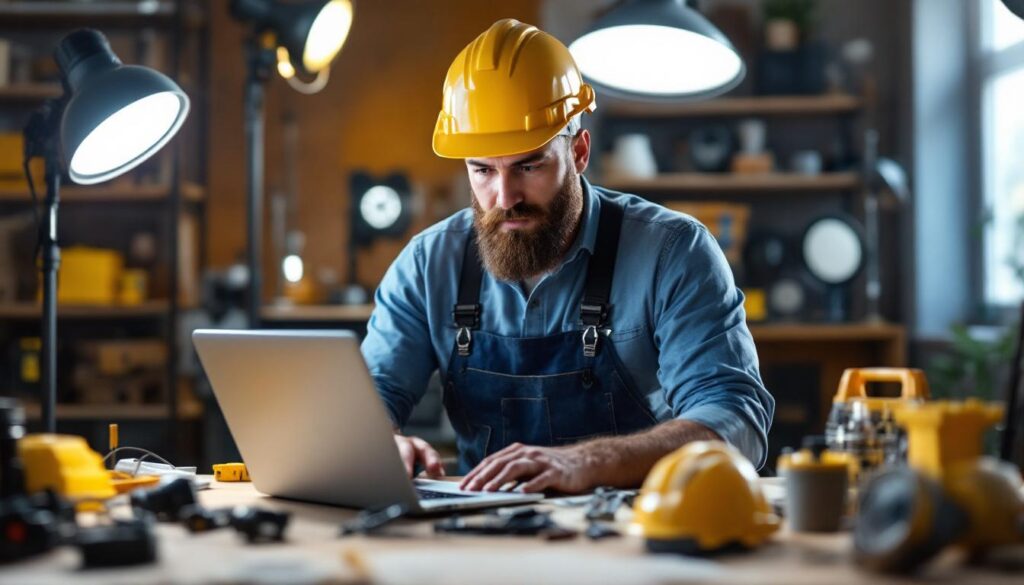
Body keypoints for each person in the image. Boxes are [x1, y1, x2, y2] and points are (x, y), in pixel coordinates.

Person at [361, 18, 773, 494]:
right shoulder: (427, 265)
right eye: (483, 171)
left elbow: (735, 420)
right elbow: (369, 399)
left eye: (528, 165)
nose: (505, 198)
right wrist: (378, 441)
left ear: (578, 151)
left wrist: (591, 461)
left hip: (634, 525)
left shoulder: (672, 252)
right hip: (481, 527)